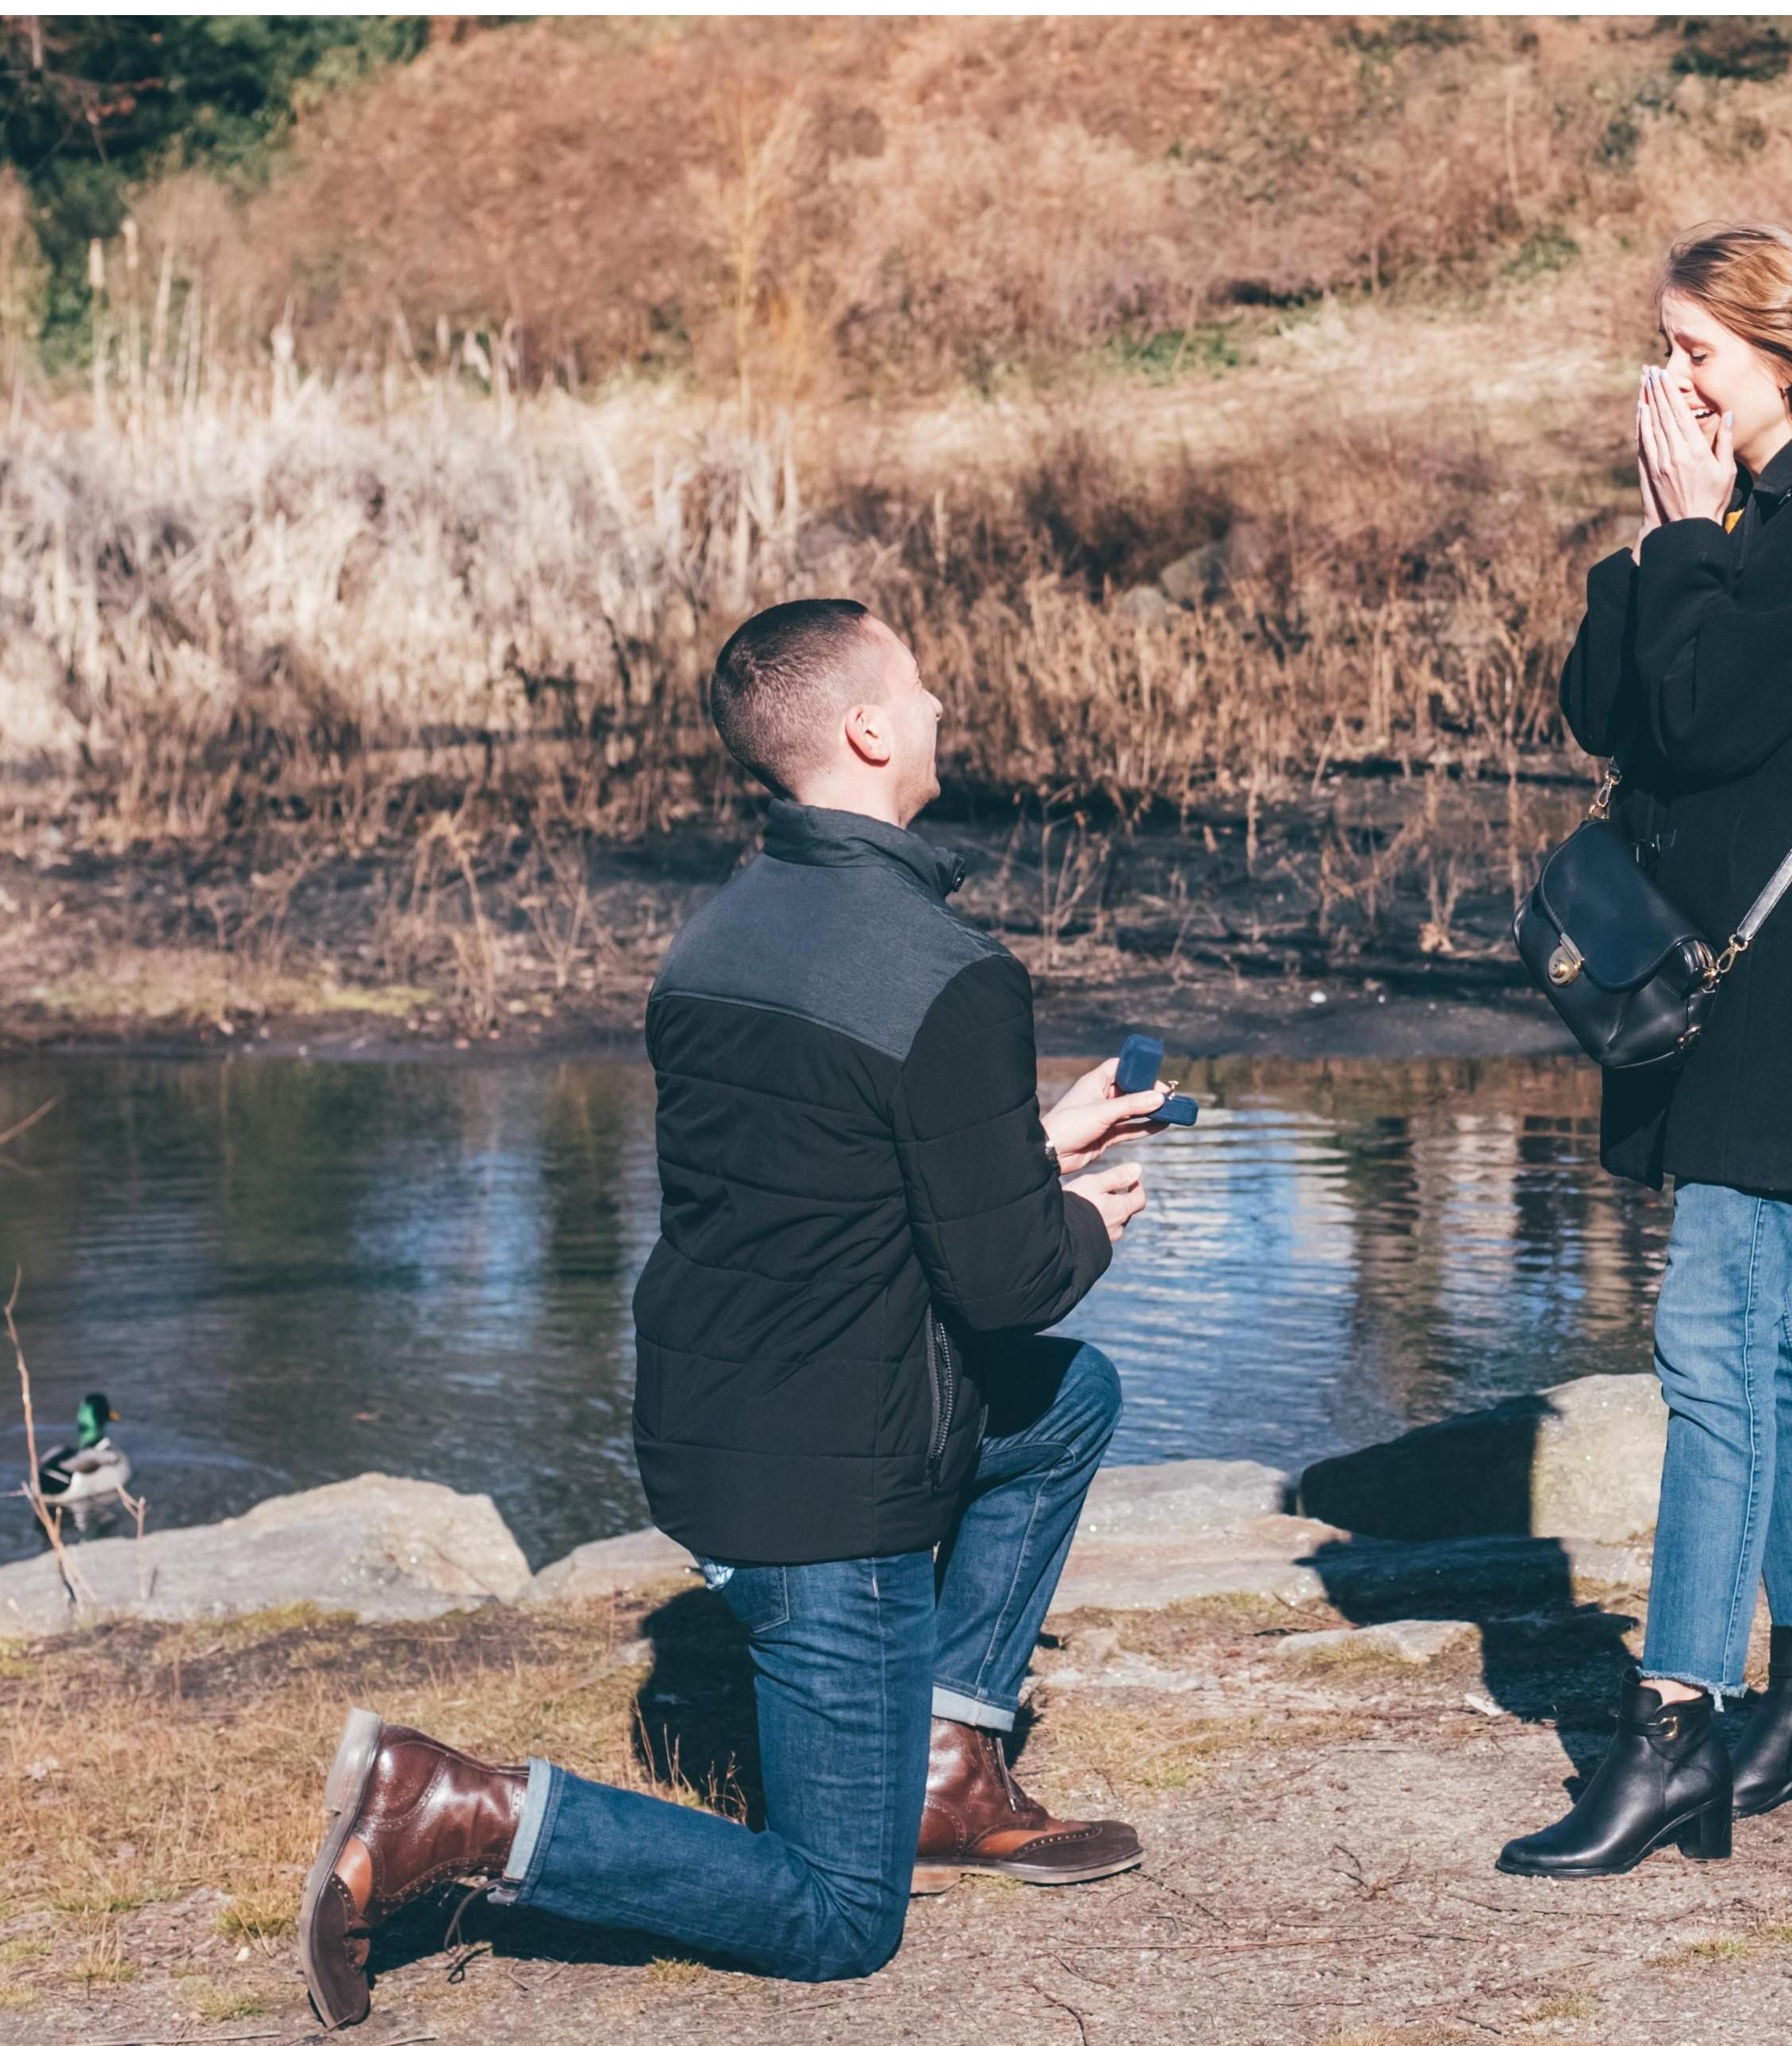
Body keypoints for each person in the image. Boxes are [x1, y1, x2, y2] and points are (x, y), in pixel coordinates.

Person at [298, 598, 1165, 2025]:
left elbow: (826, 1180)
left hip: (703, 1429)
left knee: (1069, 1405)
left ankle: (947, 1762)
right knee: (839, 1915)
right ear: (869, 730)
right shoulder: (952, 973)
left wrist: (1024, 1147)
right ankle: (461, 1810)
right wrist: (1079, 1216)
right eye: (925, 677)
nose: (944, 702)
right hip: (831, 1490)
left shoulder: (714, 941)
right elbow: (1008, 1282)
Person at [1497, 223, 1792, 1879]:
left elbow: (1708, 723)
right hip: (1713, 980)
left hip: (1783, 991)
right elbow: (1609, 711)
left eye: (1695, 349)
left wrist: (1690, 534)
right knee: (1775, 1351)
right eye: (1664, 348)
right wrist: (1651, 538)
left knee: (1709, 1350)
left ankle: (1674, 1726)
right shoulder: (1744, 513)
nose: (1670, 378)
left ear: (1780, 349)